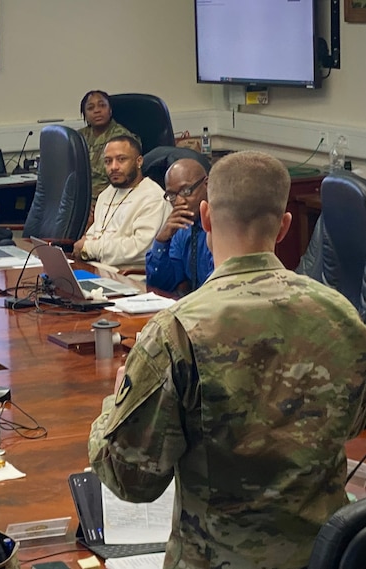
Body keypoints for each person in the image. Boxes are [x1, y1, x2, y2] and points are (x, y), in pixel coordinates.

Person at [87, 150, 366, 569]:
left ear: (205, 217)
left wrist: (115, 405)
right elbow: (354, 422)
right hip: (323, 556)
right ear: (285, 225)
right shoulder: (341, 316)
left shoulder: (175, 331)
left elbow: (131, 480)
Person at [73, 135, 169, 267]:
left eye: (121, 159)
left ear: (139, 161)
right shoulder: (106, 194)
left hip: (127, 277)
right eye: (108, 161)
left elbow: (141, 249)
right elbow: (92, 237)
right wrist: (87, 246)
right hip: (96, 268)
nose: (113, 167)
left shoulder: (153, 198)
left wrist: (90, 248)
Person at [145, 158, 214, 294]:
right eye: (172, 195)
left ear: (206, 185)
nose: (179, 202)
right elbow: (162, 285)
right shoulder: (181, 228)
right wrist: (161, 241)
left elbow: (216, 286)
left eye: (186, 191)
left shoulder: (222, 225)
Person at [77, 90, 139, 205]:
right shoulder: (78, 138)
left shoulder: (122, 138)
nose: (97, 110)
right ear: (84, 114)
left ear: (110, 110)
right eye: (91, 108)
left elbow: (123, 177)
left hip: (112, 197)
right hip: (82, 198)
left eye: (102, 105)